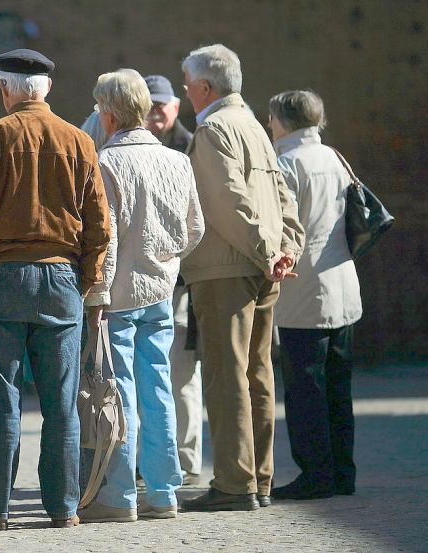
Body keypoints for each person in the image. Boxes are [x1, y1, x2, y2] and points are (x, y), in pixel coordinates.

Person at [0, 48, 112, 531]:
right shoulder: (79, 141)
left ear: (6, 89)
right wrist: (83, 281)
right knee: (60, 402)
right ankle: (63, 508)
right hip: (61, 277)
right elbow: (100, 226)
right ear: (47, 90)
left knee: (0, 401)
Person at [178, 44, 305, 512]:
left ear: (205, 87)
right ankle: (259, 479)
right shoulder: (253, 124)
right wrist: (286, 249)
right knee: (258, 375)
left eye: (188, 84)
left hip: (227, 268)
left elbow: (226, 202)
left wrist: (270, 249)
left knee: (227, 376)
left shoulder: (214, 128)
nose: (186, 92)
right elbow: (282, 196)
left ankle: (235, 483)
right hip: (263, 266)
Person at [77, 69, 204, 523]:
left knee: (119, 394)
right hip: (160, 291)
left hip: (119, 297)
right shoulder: (177, 160)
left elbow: (105, 241)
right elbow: (196, 229)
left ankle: (121, 493)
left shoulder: (106, 163)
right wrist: (167, 262)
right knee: (160, 391)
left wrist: (98, 294)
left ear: (108, 115)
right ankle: (165, 491)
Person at [267, 90, 362, 500]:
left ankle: (315, 474)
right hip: (343, 284)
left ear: (283, 121)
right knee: (339, 387)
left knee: (305, 390)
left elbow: (284, 228)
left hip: (304, 292)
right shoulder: (335, 158)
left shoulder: (286, 164)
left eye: (271, 118)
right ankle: (343, 471)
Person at [143, 74, 202, 485]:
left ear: (176, 106)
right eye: (151, 104)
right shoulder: (132, 146)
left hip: (180, 282)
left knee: (180, 374)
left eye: (163, 103)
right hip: (143, 281)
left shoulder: (191, 145)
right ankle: (154, 460)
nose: (157, 111)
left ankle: (186, 459)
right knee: (148, 374)